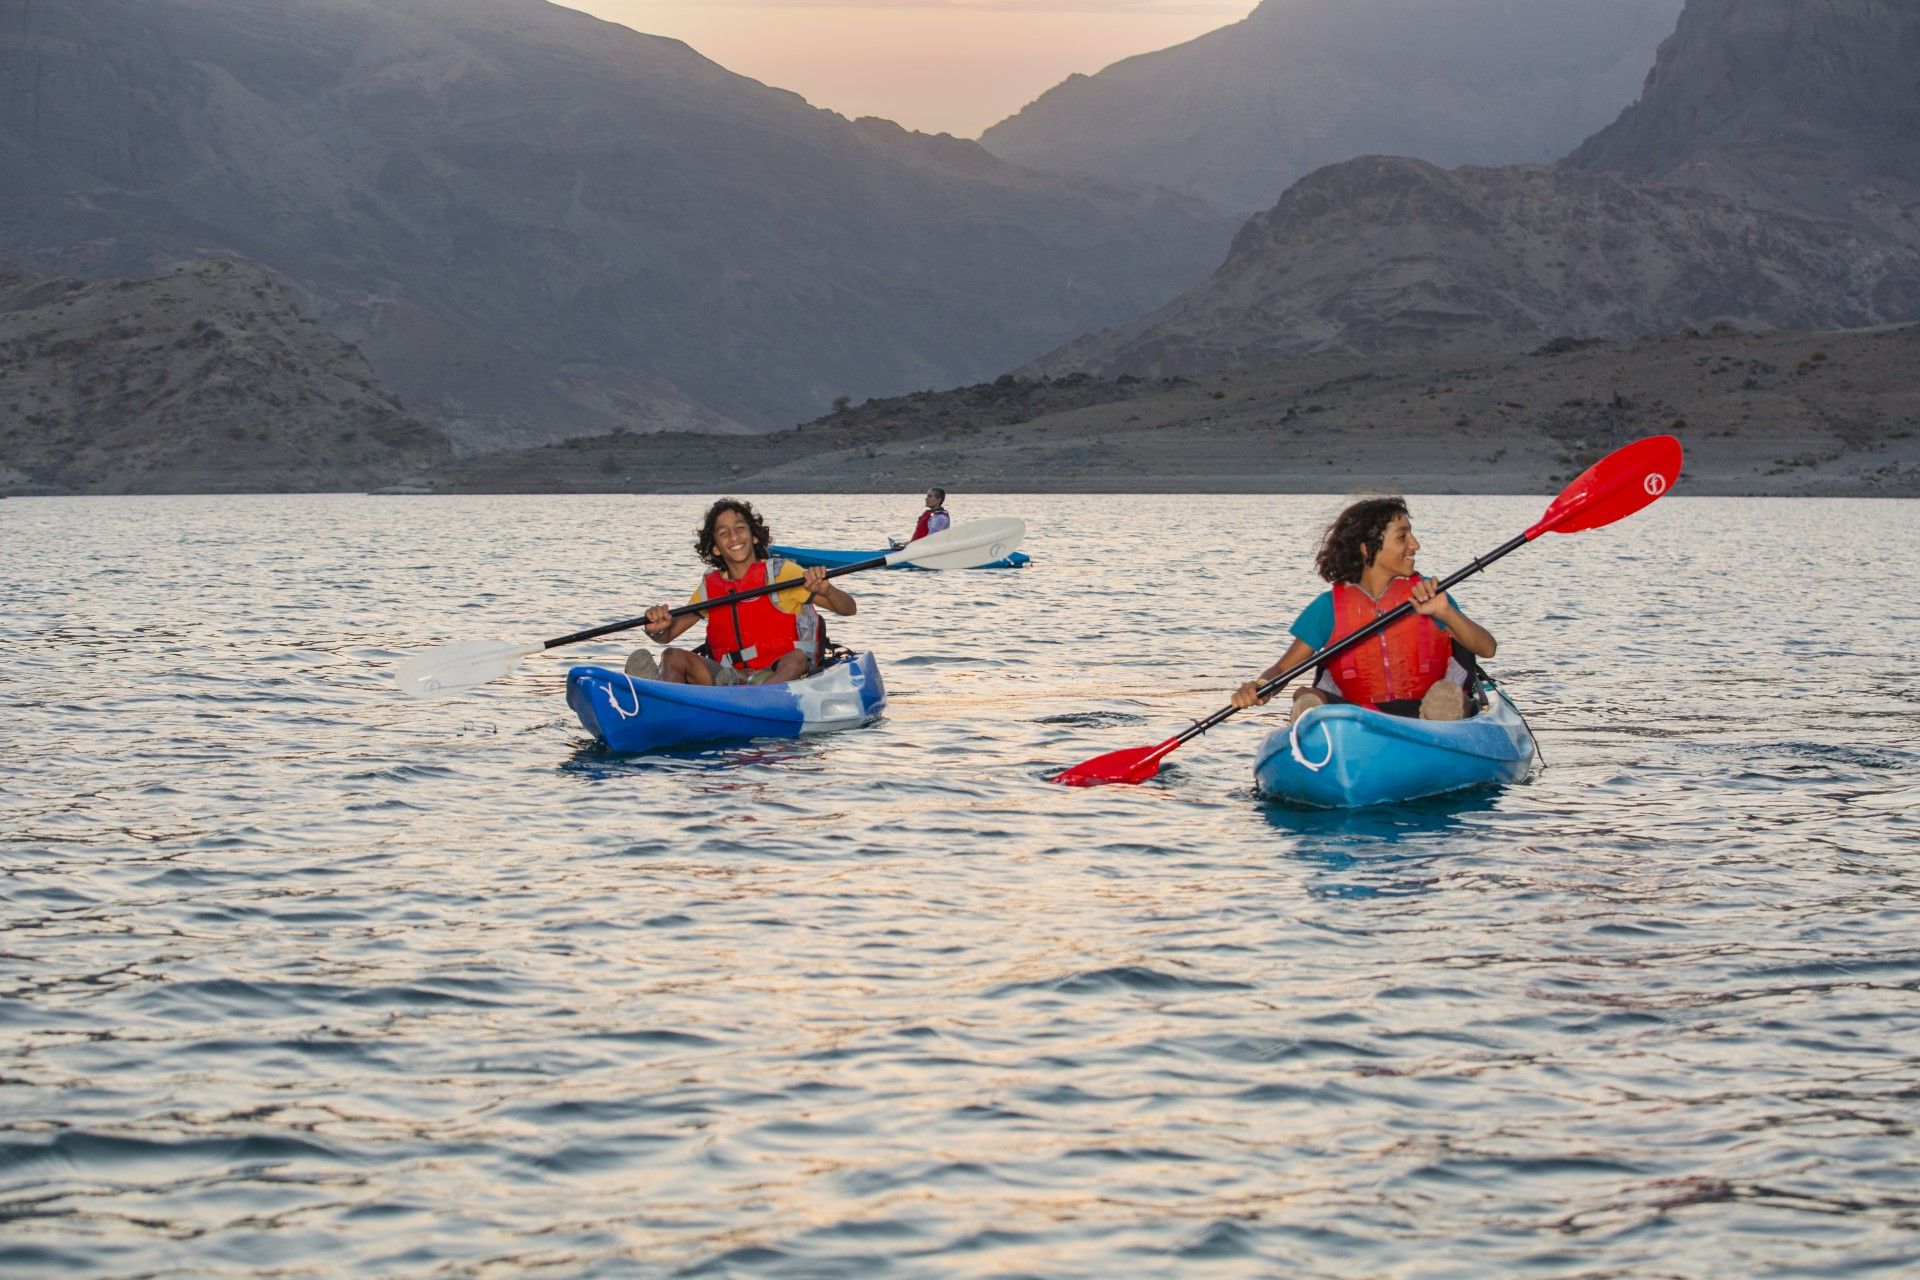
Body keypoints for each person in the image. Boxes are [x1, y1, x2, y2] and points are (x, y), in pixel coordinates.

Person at [1230, 496, 1496, 720]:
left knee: (1444, 700)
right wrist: (1261, 687)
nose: (1415, 544)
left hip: (1434, 718)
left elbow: (1487, 649)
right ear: (1367, 549)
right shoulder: (1327, 608)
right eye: (1403, 537)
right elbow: (1282, 669)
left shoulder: (1428, 593)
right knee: (1307, 702)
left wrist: (1445, 612)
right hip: (1361, 719)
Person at [626, 498, 856, 686]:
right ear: (715, 547)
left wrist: (827, 589)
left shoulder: (782, 574)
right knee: (671, 656)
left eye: (739, 528)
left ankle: (757, 701)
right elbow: (667, 636)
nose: (734, 537)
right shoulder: (711, 588)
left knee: (796, 659)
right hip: (728, 675)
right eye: (724, 533)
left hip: (780, 675)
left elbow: (848, 608)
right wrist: (656, 630)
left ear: (754, 536)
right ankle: (661, 698)